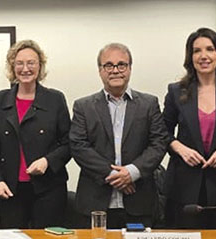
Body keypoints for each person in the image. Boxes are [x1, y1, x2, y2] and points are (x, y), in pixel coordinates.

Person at [69, 43, 168, 228]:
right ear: (100, 70)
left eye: (121, 65)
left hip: (139, 201)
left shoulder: (148, 104)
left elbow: (159, 143)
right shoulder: (83, 106)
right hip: (95, 202)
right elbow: (78, 146)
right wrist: (115, 175)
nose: (115, 70)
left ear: (130, 68)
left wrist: (132, 173)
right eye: (108, 65)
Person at [162, 28, 216, 229]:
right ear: (190, 57)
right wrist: (180, 148)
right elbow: (161, 132)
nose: (203, 56)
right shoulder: (176, 91)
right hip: (184, 184)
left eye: (209, 49)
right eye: (196, 51)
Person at [0, 40, 71, 229]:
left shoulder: (55, 99)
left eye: (31, 63)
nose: (25, 68)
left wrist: (47, 161)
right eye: (19, 63)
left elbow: (69, 143)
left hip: (49, 189)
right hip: (10, 190)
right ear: (12, 67)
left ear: (40, 66)